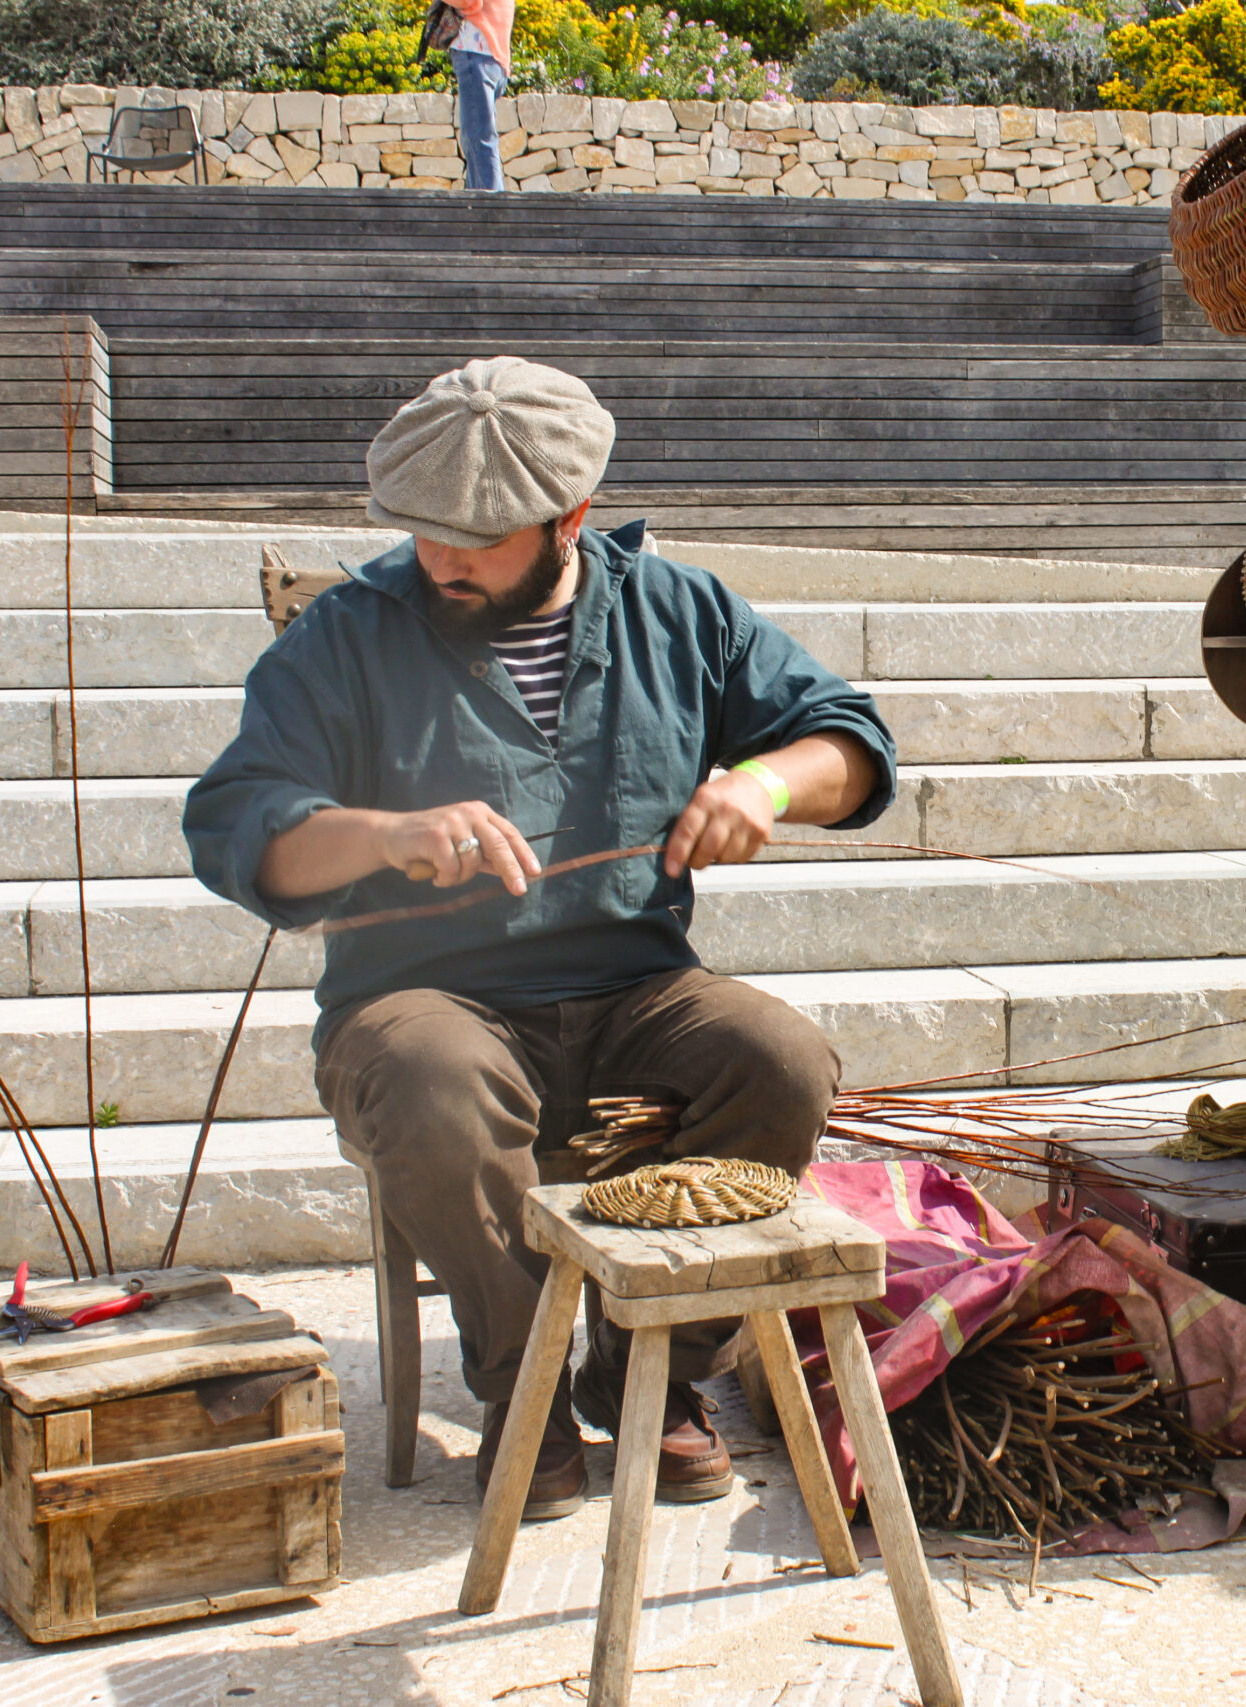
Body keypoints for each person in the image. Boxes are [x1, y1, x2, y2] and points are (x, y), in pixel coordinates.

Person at [183, 357, 896, 1521]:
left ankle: (650, 1366)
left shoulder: (678, 612)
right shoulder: (350, 634)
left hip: (635, 991)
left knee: (777, 1058)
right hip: (425, 1001)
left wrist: (767, 784)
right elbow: (240, 828)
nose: (444, 562)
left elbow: (849, 744)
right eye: (424, 534)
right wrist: (378, 833)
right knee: (431, 1081)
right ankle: (527, 1395)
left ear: (569, 518)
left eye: (479, 537)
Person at [440, 0, 514, 190]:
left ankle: (491, 213)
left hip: (475, 52)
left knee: (478, 139)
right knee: (477, 139)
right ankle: (476, 212)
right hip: (494, 55)